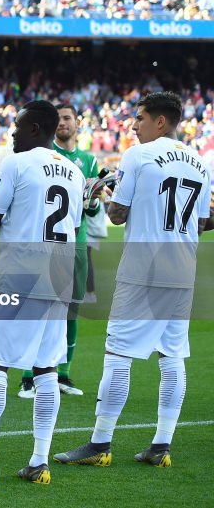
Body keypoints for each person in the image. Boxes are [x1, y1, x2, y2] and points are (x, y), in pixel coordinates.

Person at [55, 92, 212, 469]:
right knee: (172, 356)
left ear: (160, 121)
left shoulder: (138, 155)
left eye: (139, 117)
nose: (132, 124)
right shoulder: (202, 164)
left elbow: (118, 214)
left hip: (143, 268)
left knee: (118, 354)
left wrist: (104, 190)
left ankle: (100, 443)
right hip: (182, 270)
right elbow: (203, 223)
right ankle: (161, 446)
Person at [0, 100, 85, 487]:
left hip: (21, 274)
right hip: (59, 275)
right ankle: (39, 462)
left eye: (19, 127)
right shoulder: (73, 171)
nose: (12, 133)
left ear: (36, 129)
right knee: (46, 370)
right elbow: (71, 224)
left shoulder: (16, 163)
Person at [18, 103, 101, 399]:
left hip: (75, 245)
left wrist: (93, 200)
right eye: (59, 119)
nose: (63, 123)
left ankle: (62, 372)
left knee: (70, 309)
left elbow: (91, 209)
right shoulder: (41, 155)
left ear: (77, 123)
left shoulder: (88, 160)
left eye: (68, 118)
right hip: (42, 244)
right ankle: (28, 375)